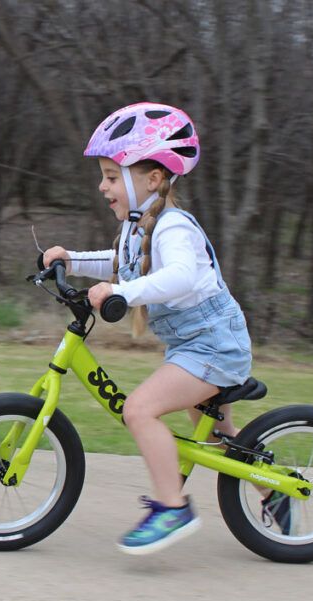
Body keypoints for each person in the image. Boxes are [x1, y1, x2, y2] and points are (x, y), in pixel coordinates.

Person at [41, 102, 285, 554]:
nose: (102, 186)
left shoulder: (173, 227)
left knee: (138, 410)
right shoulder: (139, 229)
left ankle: (172, 507)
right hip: (196, 345)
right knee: (217, 437)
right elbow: (121, 262)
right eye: (104, 176)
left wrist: (122, 293)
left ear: (152, 179)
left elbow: (181, 277)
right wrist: (70, 261)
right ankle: (275, 492)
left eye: (112, 176)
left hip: (212, 346)